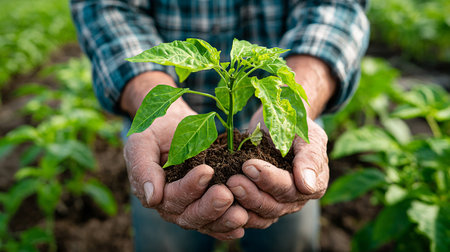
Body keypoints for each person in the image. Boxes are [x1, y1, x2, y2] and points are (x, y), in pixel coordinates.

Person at [71, 0, 370, 251]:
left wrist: (293, 103)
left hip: (275, 137)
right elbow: (106, 7)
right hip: (162, 136)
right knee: (165, 228)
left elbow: (336, 7)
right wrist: (145, 86)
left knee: (288, 235)